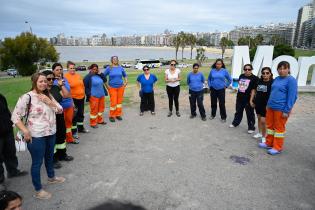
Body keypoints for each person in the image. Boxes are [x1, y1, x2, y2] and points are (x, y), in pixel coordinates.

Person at [11, 73, 66, 199]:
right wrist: (25, 131)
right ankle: (38, 190)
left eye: (45, 81)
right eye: (40, 81)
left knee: (49, 157)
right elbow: (15, 117)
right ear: (34, 82)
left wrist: (49, 102)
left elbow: (60, 110)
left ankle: (51, 178)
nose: (44, 83)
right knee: (37, 162)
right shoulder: (27, 97)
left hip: (50, 132)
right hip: (36, 136)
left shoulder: (48, 95)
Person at [259, 61, 298, 155]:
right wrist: (268, 105)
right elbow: (272, 93)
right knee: (270, 127)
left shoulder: (291, 80)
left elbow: (292, 97)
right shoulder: (276, 79)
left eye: (284, 68)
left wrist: (287, 110)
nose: (281, 70)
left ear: (288, 69)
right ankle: (269, 143)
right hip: (271, 107)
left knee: (279, 129)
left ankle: (277, 147)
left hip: (281, 109)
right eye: (279, 68)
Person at [42, 70, 74, 169]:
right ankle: (53, 159)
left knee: (61, 135)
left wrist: (61, 85)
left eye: (53, 78)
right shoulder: (42, 92)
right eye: (48, 79)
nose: (51, 80)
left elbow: (67, 95)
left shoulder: (56, 87)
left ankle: (62, 154)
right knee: (52, 138)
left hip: (59, 116)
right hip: (49, 118)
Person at [0, 94, 27, 186]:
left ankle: (13, 171)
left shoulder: (1, 97)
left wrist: (13, 128)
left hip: (7, 130)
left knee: (10, 152)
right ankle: (1, 180)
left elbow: (7, 113)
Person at [52, 63, 78, 144]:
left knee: (69, 122)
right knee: (61, 125)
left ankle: (69, 138)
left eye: (60, 69)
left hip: (69, 105)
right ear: (53, 71)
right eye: (57, 70)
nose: (59, 71)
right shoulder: (52, 82)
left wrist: (72, 103)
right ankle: (62, 140)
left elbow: (69, 92)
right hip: (61, 107)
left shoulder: (65, 79)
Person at [230, 64, 258, 133]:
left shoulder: (255, 78)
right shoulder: (241, 76)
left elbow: (254, 90)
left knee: (250, 113)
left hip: (248, 98)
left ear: (251, 70)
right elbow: (240, 86)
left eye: (249, 69)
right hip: (240, 97)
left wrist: (251, 100)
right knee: (238, 111)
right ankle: (235, 123)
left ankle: (251, 127)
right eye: (245, 69)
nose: (247, 71)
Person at [63, 61, 89, 136]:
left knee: (81, 114)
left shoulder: (78, 75)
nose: (73, 69)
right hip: (73, 99)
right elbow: (67, 90)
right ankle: (73, 132)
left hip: (81, 97)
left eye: (74, 68)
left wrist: (84, 94)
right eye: (71, 68)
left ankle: (81, 128)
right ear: (67, 68)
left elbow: (82, 85)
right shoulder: (65, 77)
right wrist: (71, 101)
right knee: (73, 116)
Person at [250, 67, 273, 143]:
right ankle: (260, 133)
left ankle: (264, 136)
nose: (265, 75)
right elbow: (254, 90)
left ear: (270, 74)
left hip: (266, 105)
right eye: (263, 73)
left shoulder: (272, 82)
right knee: (259, 118)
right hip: (258, 103)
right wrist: (251, 100)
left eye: (267, 73)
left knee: (263, 121)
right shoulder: (259, 81)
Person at [103, 56, 128, 122]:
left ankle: (118, 114)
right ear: (111, 60)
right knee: (113, 102)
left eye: (116, 59)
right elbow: (103, 76)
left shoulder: (120, 68)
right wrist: (107, 86)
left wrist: (126, 82)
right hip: (112, 88)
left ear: (118, 60)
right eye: (114, 59)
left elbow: (125, 75)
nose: (115, 60)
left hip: (120, 87)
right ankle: (112, 116)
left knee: (119, 102)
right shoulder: (109, 68)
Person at [84, 64, 108, 128]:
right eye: (93, 69)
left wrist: (100, 73)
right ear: (91, 69)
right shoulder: (88, 77)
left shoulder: (99, 75)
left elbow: (105, 80)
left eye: (96, 69)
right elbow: (85, 87)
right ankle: (93, 123)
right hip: (93, 96)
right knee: (94, 110)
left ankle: (100, 120)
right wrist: (89, 95)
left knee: (101, 109)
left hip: (101, 95)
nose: (95, 70)